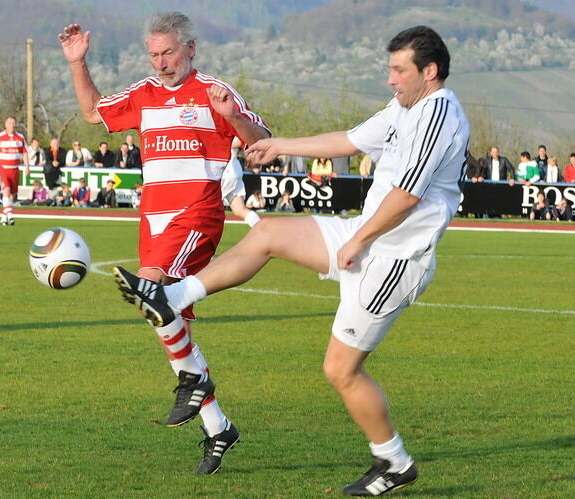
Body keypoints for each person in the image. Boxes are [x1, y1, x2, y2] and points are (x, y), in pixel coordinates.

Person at [113, 26, 468, 494]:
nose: (390, 80)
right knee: (269, 234)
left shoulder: (439, 113)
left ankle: (395, 461)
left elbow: (406, 196)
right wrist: (281, 145)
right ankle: (171, 297)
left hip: (394, 259)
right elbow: (349, 139)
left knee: (340, 371)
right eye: (390, 69)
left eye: (398, 70)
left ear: (430, 71)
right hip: (370, 238)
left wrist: (359, 239)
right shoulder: (407, 108)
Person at [60, 11, 269, 474]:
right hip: (153, 220)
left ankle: (194, 382)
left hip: (198, 212)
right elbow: (94, 112)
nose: (161, 63)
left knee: (148, 289)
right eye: (154, 55)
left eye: (169, 53)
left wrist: (234, 118)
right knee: (166, 321)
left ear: (190, 49)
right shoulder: (143, 95)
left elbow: (262, 142)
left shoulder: (216, 93)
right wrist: (78, 62)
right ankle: (218, 427)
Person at [0, 116, 30, 225]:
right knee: (5, 190)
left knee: (12, 195)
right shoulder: (0, 137)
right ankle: (10, 214)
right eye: (9, 123)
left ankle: (4, 217)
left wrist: (27, 167)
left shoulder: (20, 137)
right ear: (5, 124)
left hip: (15, 170)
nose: (11, 125)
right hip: (3, 169)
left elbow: (25, 152)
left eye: (13, 123)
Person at [221, 137, 260, 227]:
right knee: (240, 210)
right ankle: (262, 230)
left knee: (208, 207)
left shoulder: (224, 128)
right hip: (233, 170)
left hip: (225, 172)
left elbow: (240, 141)